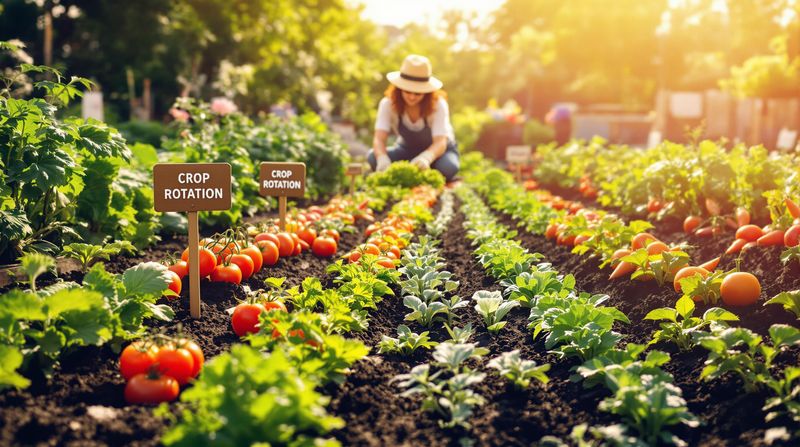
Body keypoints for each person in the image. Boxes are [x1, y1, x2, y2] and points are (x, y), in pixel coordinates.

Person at [367, 54, 460, 181]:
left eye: (417, 93)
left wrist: (426, 158)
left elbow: (440, 142)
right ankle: (414, 173)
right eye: (407, 91)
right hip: (406, 149)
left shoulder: (438, 104)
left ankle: (424, 171)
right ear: (399, 88)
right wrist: (382, 158)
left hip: (439, 153)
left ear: (427, 91)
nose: (411, 97)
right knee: (373, 157)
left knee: (448, 168)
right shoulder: (388, 104)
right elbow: (379, 139)